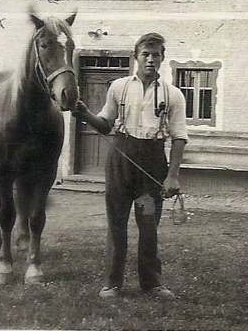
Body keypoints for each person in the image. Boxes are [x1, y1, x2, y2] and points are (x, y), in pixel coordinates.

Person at [72, 32, 187, 300]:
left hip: (152, 163)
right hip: (121, 160)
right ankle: (113, 283)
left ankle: (151, 282)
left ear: (162, 59)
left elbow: (179, 137)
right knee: (117, 223)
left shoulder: (173, 95)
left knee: (148, 223)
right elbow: (104, 124)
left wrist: (172, 177)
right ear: (136, 57)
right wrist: (85, 113)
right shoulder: (120, 87)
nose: (150, 59)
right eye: (145, 54)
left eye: (155, 54)